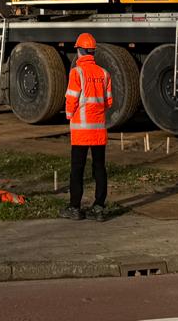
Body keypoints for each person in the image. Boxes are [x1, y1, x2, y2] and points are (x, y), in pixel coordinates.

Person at [62, 31, 112, 220]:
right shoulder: (104, 74)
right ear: (93, 52)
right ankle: (99, 207)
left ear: (80, 51)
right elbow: (108, 102)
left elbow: (71, 99)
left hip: (81, 131)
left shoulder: (77, 72)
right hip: (98, 130)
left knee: (77, 168)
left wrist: (69, 115)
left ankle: (75, 207)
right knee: (99, 168)